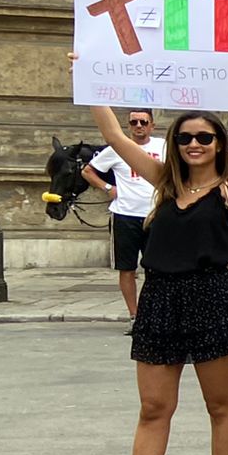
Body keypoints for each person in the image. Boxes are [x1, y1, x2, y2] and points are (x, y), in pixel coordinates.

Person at [80, 54, 228, 455]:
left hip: (212, 296)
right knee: (153, 408)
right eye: (185, 137)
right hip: (159, 298)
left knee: (220, 405)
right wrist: (89, 78)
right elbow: (115, 138)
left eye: (204, 137)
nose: (193, 144)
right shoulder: (163, 183)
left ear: (218, 144)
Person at [83, 108, 164, 320]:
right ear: (128, 126)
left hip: (156, 215)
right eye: (134, 122)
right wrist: (108, 188)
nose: (139, 126)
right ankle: (134, 315)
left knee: (158, 268)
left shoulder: (163, 146)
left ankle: (154, 313)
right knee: (127, 268)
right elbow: (88, 171)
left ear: (152, 125)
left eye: (143, 122)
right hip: (125, 215)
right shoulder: (118, 148)